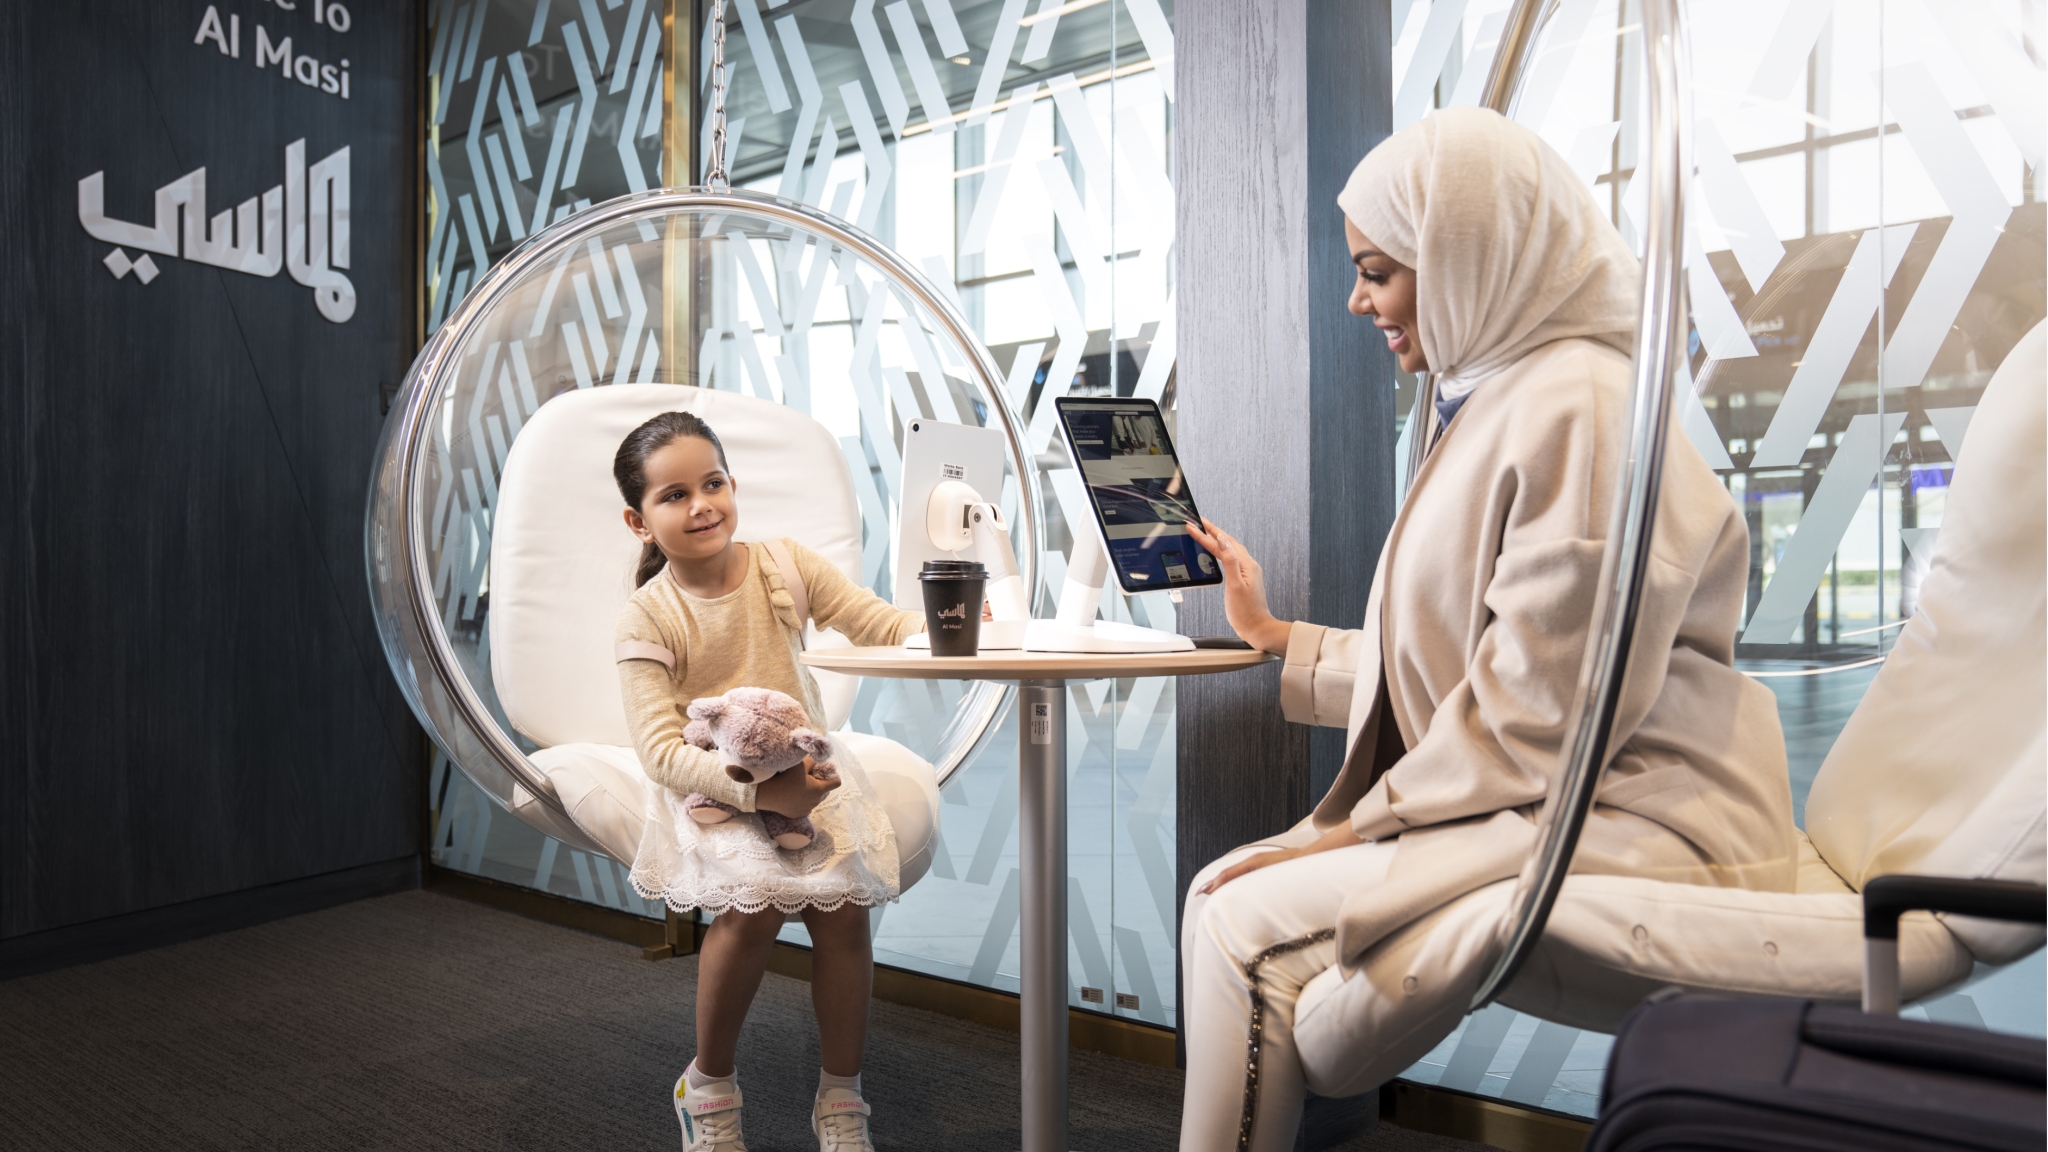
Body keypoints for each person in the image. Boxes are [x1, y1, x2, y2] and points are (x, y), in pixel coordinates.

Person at [1175, 108, 1797, 1151]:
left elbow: (1533, 717)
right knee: (1225, 896)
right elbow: (1484, 669)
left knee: (1236, 922)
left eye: (1379, 269)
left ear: (1465, 255)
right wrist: (1280, 635)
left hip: (1640, 823)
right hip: (1567, 799)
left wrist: (1337, 827)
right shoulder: (1512, 395)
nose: (1355, 297)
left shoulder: (1579, 408)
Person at [611, 410, 924, 1152]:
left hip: (809, 772)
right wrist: (757, 795)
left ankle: (840, 1100)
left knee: (844, 916)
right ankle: (709, 1088)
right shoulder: (647, 615)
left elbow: (876, 622)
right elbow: (659, 750)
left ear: (732, 483)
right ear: (639, 520)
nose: (702, 505)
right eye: (675, 494)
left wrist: (955, 622)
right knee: (751, 914)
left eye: (713, 483)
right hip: (713, 787)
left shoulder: (785, 564)